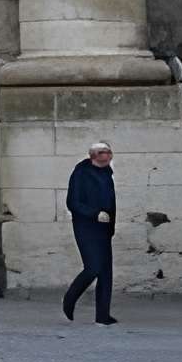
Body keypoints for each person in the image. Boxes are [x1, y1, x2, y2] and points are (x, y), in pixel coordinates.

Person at [61, 139, 118, 326]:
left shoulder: (107, 173)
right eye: (103, 152)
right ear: (93, 156)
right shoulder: (81, 173)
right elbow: (73, 202)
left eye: (109, 152)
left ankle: (103, 316)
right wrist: (95, 214)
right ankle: (70, 298)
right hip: (86, 227)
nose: (108, 155)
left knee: (106, 273)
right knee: (93, 267)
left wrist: (110, 225)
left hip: (104, 228)